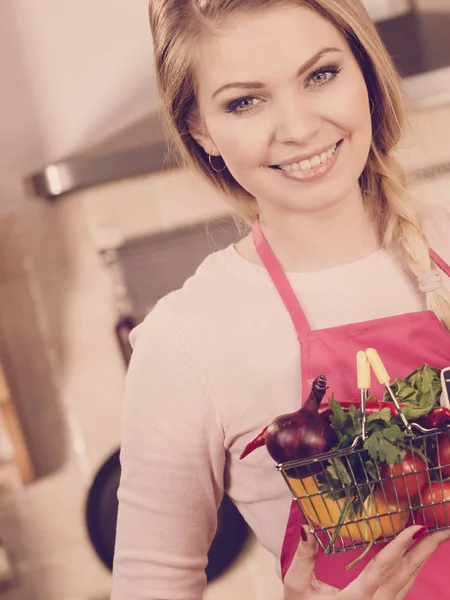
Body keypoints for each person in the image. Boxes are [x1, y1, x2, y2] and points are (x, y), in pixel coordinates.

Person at [111, 1, 450, 598]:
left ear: (365, 73)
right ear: (199, 130)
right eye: (245, 101)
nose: (297, 127)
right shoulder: (187, 340)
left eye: (321, 74)